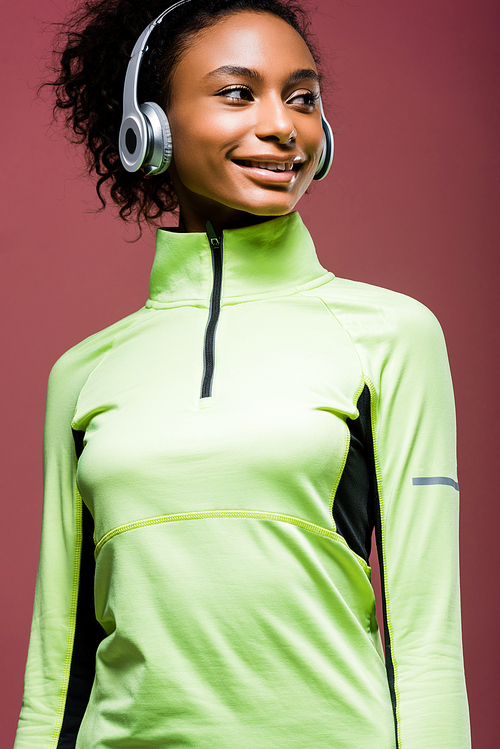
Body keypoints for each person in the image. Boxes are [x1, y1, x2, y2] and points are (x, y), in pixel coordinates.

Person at [14, 1, 471, 747]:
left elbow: (428, 642)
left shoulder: (393, 335)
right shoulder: (83, 373)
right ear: (149, 127)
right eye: (237, 93)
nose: (283, 125)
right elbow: (56, 671)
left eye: (302, 97)